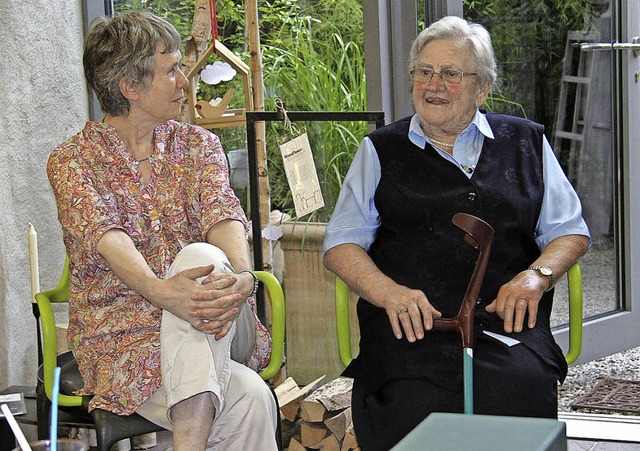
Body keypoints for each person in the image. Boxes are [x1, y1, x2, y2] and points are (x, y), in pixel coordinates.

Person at [323, 15, 590, 451]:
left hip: (505, 327)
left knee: (517, 394)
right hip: (411, 331)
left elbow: (570, 231)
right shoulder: (379, 150)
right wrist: (389, 292)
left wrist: (536, 276)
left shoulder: (527, 142)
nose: (434, 85)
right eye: (424, 72)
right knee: (411, 408)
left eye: (450, 74)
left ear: (481, 88)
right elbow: (341, 244)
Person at [47, 11, 278, 450]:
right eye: (170, 71)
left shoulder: (198, 145)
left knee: (200, 258)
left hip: (224, 314)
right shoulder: (72, 162)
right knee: (249, 399)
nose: (184, 83)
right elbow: (106, 237)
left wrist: (243, 278)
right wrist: (161, 292)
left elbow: (222, 214)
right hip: (124, 341)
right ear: (129, 87)